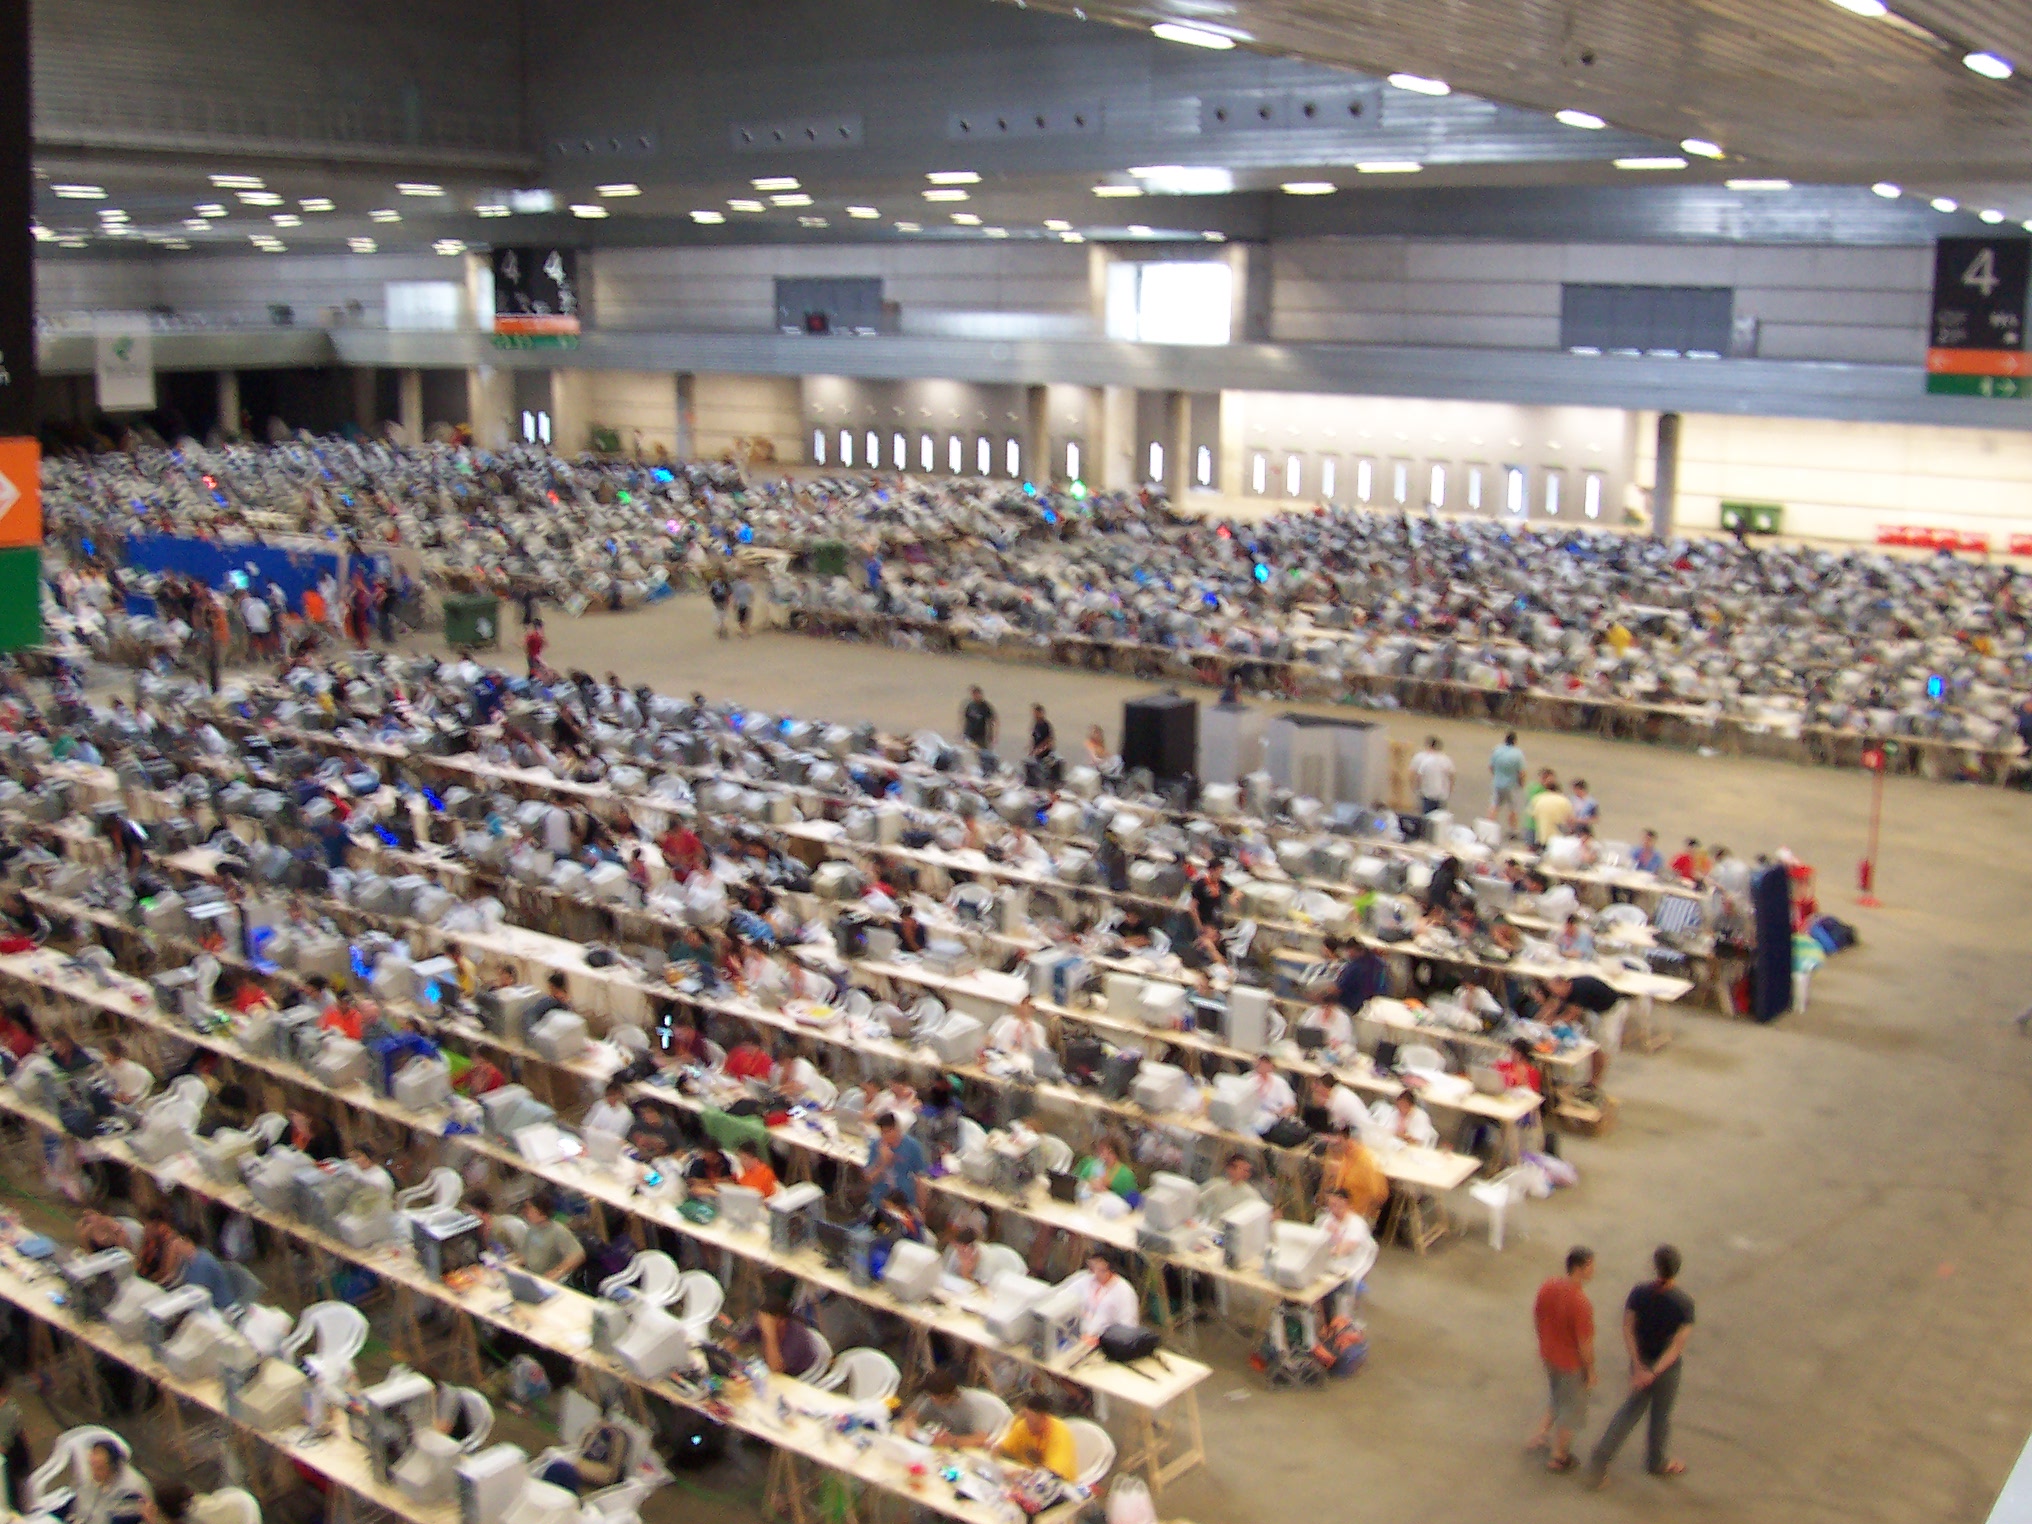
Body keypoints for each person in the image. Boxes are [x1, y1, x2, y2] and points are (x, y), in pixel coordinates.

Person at [1586, 1245, 1694, 1487]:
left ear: (1655, 1266)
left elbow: (1628, 1327)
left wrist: (1638, 1366)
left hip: (1641, 1359)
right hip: (1666, 1368)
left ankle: (1601, 1459)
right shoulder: (1683, 1304)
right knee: (1661, 1414)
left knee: (1631, 1410)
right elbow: (1676, 1346)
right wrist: (1654, 1372)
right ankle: (1657, 1461)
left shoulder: (1639, 1293)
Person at [1530, 1246, 1597, 1472]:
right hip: (1570, 1363)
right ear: (1579, 1268)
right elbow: (1584, 1343)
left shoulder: (1548, 1286)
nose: (1593, 1270)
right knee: (1571, 1408)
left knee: (1557, 1395)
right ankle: (1559, 1456)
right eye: (1590, 1266)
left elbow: (1537, 1315)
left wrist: (1544, 1342)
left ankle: (1540, 1434)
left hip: (1549, 1355)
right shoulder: (1581, 1303)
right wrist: (1590, 1371)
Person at [996, 1393, 1079, 1481]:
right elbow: (1003, 1450)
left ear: (1044, 1417)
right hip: (1028, 1479)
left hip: (1057, 1484)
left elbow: (1053, 1474)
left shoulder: (1059, 1434)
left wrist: (1022, 1473)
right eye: (1027, 1419)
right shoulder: (1024, 1426)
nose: (1028, 1426)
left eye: (1033, 1423)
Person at [903, 1366, 990, 1447]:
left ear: (948, 1397)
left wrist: (951, 1440)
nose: (932, 1401)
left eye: (936, 1399)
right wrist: (911, 1427)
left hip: (960, 1447)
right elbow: (911, 1416)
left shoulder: (969, 1406)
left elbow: (981, 1439)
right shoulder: (929, 1398)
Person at [518, 1190, 586, 1282]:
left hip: (551, 1280)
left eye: (530, 1209)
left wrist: (558, 1272)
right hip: (532, 1277)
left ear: (541, 1210)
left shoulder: (558, 1230)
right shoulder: (532, 1229)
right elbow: (525, 1255)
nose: (526, 1212)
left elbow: (577, 1255)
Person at [864, 1112, 928, 1209]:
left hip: (903, 1199)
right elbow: (868, 1180)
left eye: (889, 1131)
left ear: (897, 1129)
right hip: (880, 1198)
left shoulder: (913, 1147)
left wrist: (921, 1208)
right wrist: (882, 1163)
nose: (886, 1136)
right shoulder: (875, 1146)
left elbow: (920, 1178)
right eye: (883, 1133)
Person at [76, 1441, 150, 1524]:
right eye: (92, 1466)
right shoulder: (91, 1481)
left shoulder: (131, 1489)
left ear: (112, 1466)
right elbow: (80, 1513)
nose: (94, 1474)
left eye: (100, 1468)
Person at [755, 1285, 822, 1376]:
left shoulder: (796, 1337)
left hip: (801, 1376)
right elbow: (737, 1341)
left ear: (781, 1320)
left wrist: (769, 1334)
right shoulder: (763, 1320)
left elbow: (775, 1370)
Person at [1073, 1250, 1138, 1338]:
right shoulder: (1087, 1280)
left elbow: (1128, 1325)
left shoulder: (1124, 1291)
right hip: (1080, 1334)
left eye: (1101, 1270)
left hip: (1106, 1339)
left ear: (1110, 1270)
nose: (1095, 1273)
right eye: (1092, 1268)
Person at [1197, 1152, 1267, 1220]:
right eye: (1241, 1169)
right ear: (1230, 1169)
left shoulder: (1250, 1193)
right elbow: (1199, 1200)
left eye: (1246, 1170)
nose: (1245, 1173)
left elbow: (1262, 1211)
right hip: (1214, 1225)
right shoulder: (1218, 1186)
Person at [1245, 1053, 1296, 1134]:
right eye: (1260, 1062)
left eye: (1265, 1063)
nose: (1261, 1065)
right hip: (1250, 1113)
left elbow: (1290, 1106)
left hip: (1271, 1117)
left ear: (1271, 1065)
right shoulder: (1248, 1079)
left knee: (1261, 1124)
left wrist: (1279, 1114)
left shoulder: (1280, 1082)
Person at [1370, 1089, 1438, 1148]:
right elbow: (1385, 1130)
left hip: (1412, 1147)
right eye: (1399, 1105)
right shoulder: (1395, 1112)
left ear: (1411, 1106)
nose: (1401, 1108)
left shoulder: (1420, 1117)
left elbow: (1417, 1140)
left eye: (1404, 1106)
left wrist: (1400, 1135)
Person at [1488, 731, 1527, 836]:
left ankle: (1489, 826)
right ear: (1515, 741)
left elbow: (1491, 767)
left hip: (1498, 783)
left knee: (1494, 805)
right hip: (1512, 785)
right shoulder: (1518, 754)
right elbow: (1522, 772)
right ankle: (1513, 830)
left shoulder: (1497, 750)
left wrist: (1496, 776)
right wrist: (1522, 783)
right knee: (1513, 808)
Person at [1410, 735, 1456, 815]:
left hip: (1428, 793)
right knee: (1440, 817)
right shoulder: (1446, 759)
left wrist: (1415, 787)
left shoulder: (1423, 759)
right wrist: (1450, 789)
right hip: (1442, 794)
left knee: (1427, 816)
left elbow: (1416, 775)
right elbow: (1452, 776)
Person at [101, 1038, 153, 1107]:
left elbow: (127, 1097)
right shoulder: (107, 1066)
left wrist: (115, 1095)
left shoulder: (128, 1070)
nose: (103, 1057)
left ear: (112, 1054)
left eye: (106, 1054)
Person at [1528, 777, 1573, 846]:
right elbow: (1570, 819)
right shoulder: (1564, 800)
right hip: (1559, 837)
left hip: (1543, 836)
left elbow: (1532, 816)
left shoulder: (1537, 799)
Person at [961, 686, 998, 758]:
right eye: (974, 695)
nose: (976, 696)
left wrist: (993, 735)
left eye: (977, 694)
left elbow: (993, 720)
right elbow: (965, 719)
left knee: (983, 754)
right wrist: (962, 732)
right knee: (972, 753)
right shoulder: (970, 706)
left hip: (981, 736)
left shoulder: (985, 707)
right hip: (970, 735)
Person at [708, 574, 732, 638]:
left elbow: (711, 593)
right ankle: (722, 629)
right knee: (723, 616)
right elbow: (730, 592)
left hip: (719, 602)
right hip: (722, 602)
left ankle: (721, 630)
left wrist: (713, 599)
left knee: (719, 616)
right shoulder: (726, 584)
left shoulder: (715, 584)